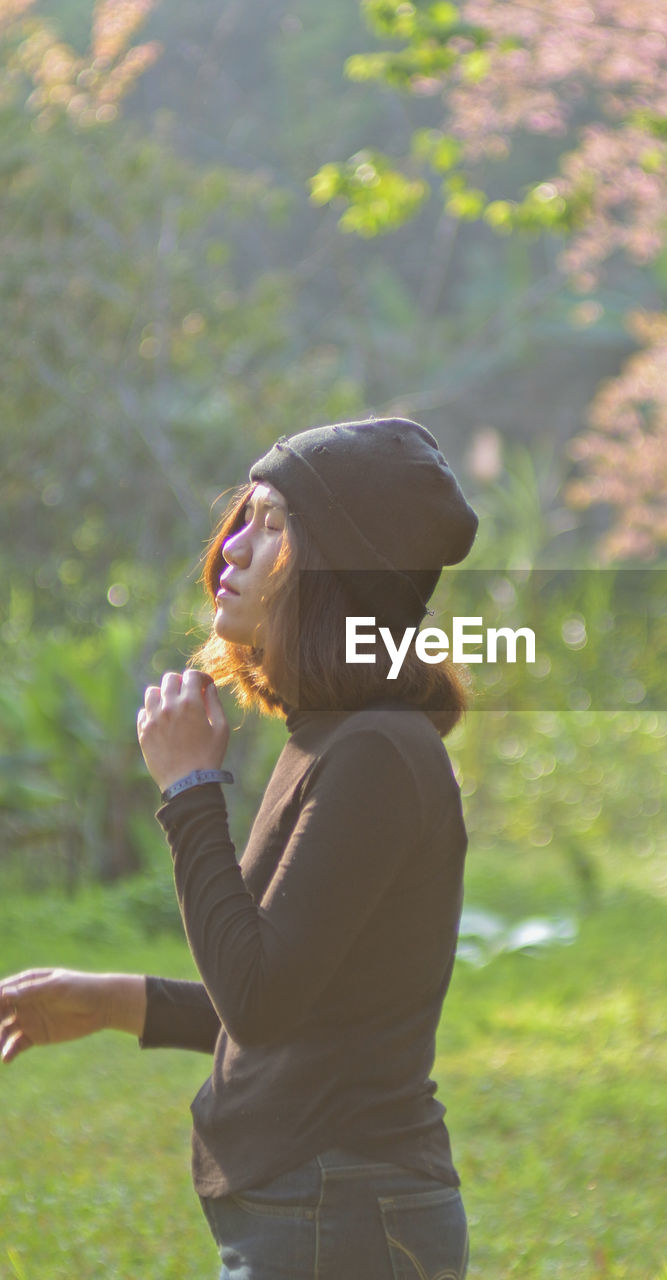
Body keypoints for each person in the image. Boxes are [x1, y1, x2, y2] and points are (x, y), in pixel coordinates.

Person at [0, 417, 478, 1280]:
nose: (232, 549)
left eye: (275, 525)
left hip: (342, 1216)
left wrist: (189, 791)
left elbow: (260, 999)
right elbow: (287, 1000)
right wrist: (112, 1000)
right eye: (245, 516)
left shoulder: (374, 752)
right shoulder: (336, 741)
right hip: (321, 1210)